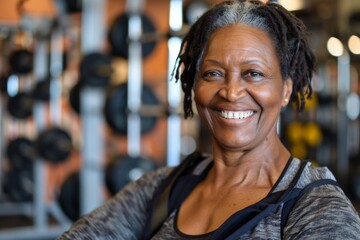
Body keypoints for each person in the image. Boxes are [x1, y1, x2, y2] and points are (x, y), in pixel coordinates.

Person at [59, 0, 360, 239]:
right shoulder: (166, 188)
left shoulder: (316, 208)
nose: (230, 92)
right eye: (213, 73)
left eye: (253, 74)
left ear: (285, 90)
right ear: (193, 86)